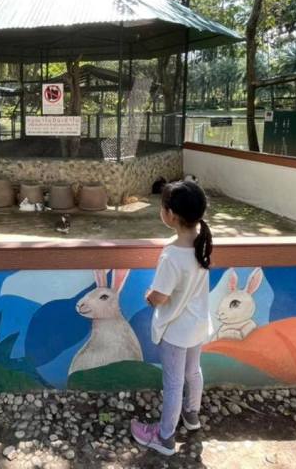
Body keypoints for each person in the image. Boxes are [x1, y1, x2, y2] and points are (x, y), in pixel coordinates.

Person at [130, 180, 213, 456]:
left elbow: (160, 297)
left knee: (174, 383)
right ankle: (192, 414)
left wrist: (149, 295)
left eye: (162, 207)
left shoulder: (171, 257)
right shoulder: (202, 241)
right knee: (193, 371)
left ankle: (164, 437)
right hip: (198, 325)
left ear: (171, 215)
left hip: (176, 331)